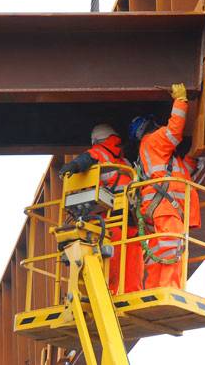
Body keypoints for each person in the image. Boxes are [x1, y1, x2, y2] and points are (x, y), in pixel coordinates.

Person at [128, 84, 201, 289]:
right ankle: (170, 290)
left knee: (159, 251)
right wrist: (180, 100)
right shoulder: (154, 140)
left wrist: (194, 159)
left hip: (159, 208)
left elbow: (178, 173)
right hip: (165, 208)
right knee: (172, 247)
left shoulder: (154, 152)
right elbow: (174, 132)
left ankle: (154, 290)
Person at [58, 124, 144, 294]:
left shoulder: (101, 153)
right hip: (125, 215)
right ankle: (131, 291)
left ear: (96, 140)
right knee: (130, 254)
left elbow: (83, 161)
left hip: (114, 216)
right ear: (113, 138)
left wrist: (69, 169)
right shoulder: (122, 160)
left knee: (116, 254)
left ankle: (113, 291)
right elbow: (83, 161)